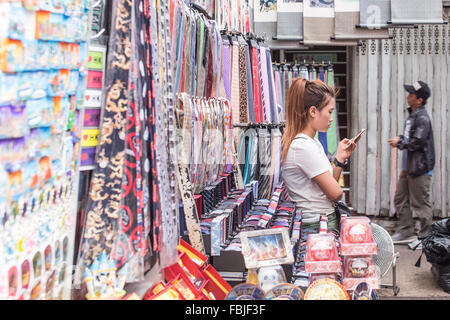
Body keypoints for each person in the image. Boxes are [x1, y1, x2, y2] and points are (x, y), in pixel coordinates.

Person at [281, 78, 356, 234]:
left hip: (318, 221)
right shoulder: (303, 146)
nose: (331, 118)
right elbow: (335, 193)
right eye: (329, 112)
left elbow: (328, 185)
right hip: (316, 226)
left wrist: (340, 158)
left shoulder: (311, 142)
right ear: (313, 111)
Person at [388, 81, 435, 245]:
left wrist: (399, 143)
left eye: (411, 94)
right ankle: (405, 231)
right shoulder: (413, 115)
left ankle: (425, 238)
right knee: (400, 199)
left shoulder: (422, 118)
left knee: (421, 204)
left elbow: (418, 142)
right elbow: (411, 138)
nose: (408, 96)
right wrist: (401, 139)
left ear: (419, 100)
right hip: (409, 166)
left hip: (419, 168)